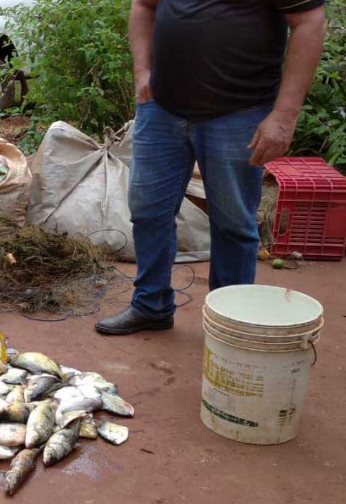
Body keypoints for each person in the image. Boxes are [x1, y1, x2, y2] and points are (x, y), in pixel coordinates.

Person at [95, 0, 327, 335]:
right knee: (148, 212)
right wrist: (142, 72)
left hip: (240, 112)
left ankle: (227, 322)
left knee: (233, 222)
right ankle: (151, 305)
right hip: (162, 109)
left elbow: (309, 23)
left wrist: (284, 117)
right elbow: (143, 6)